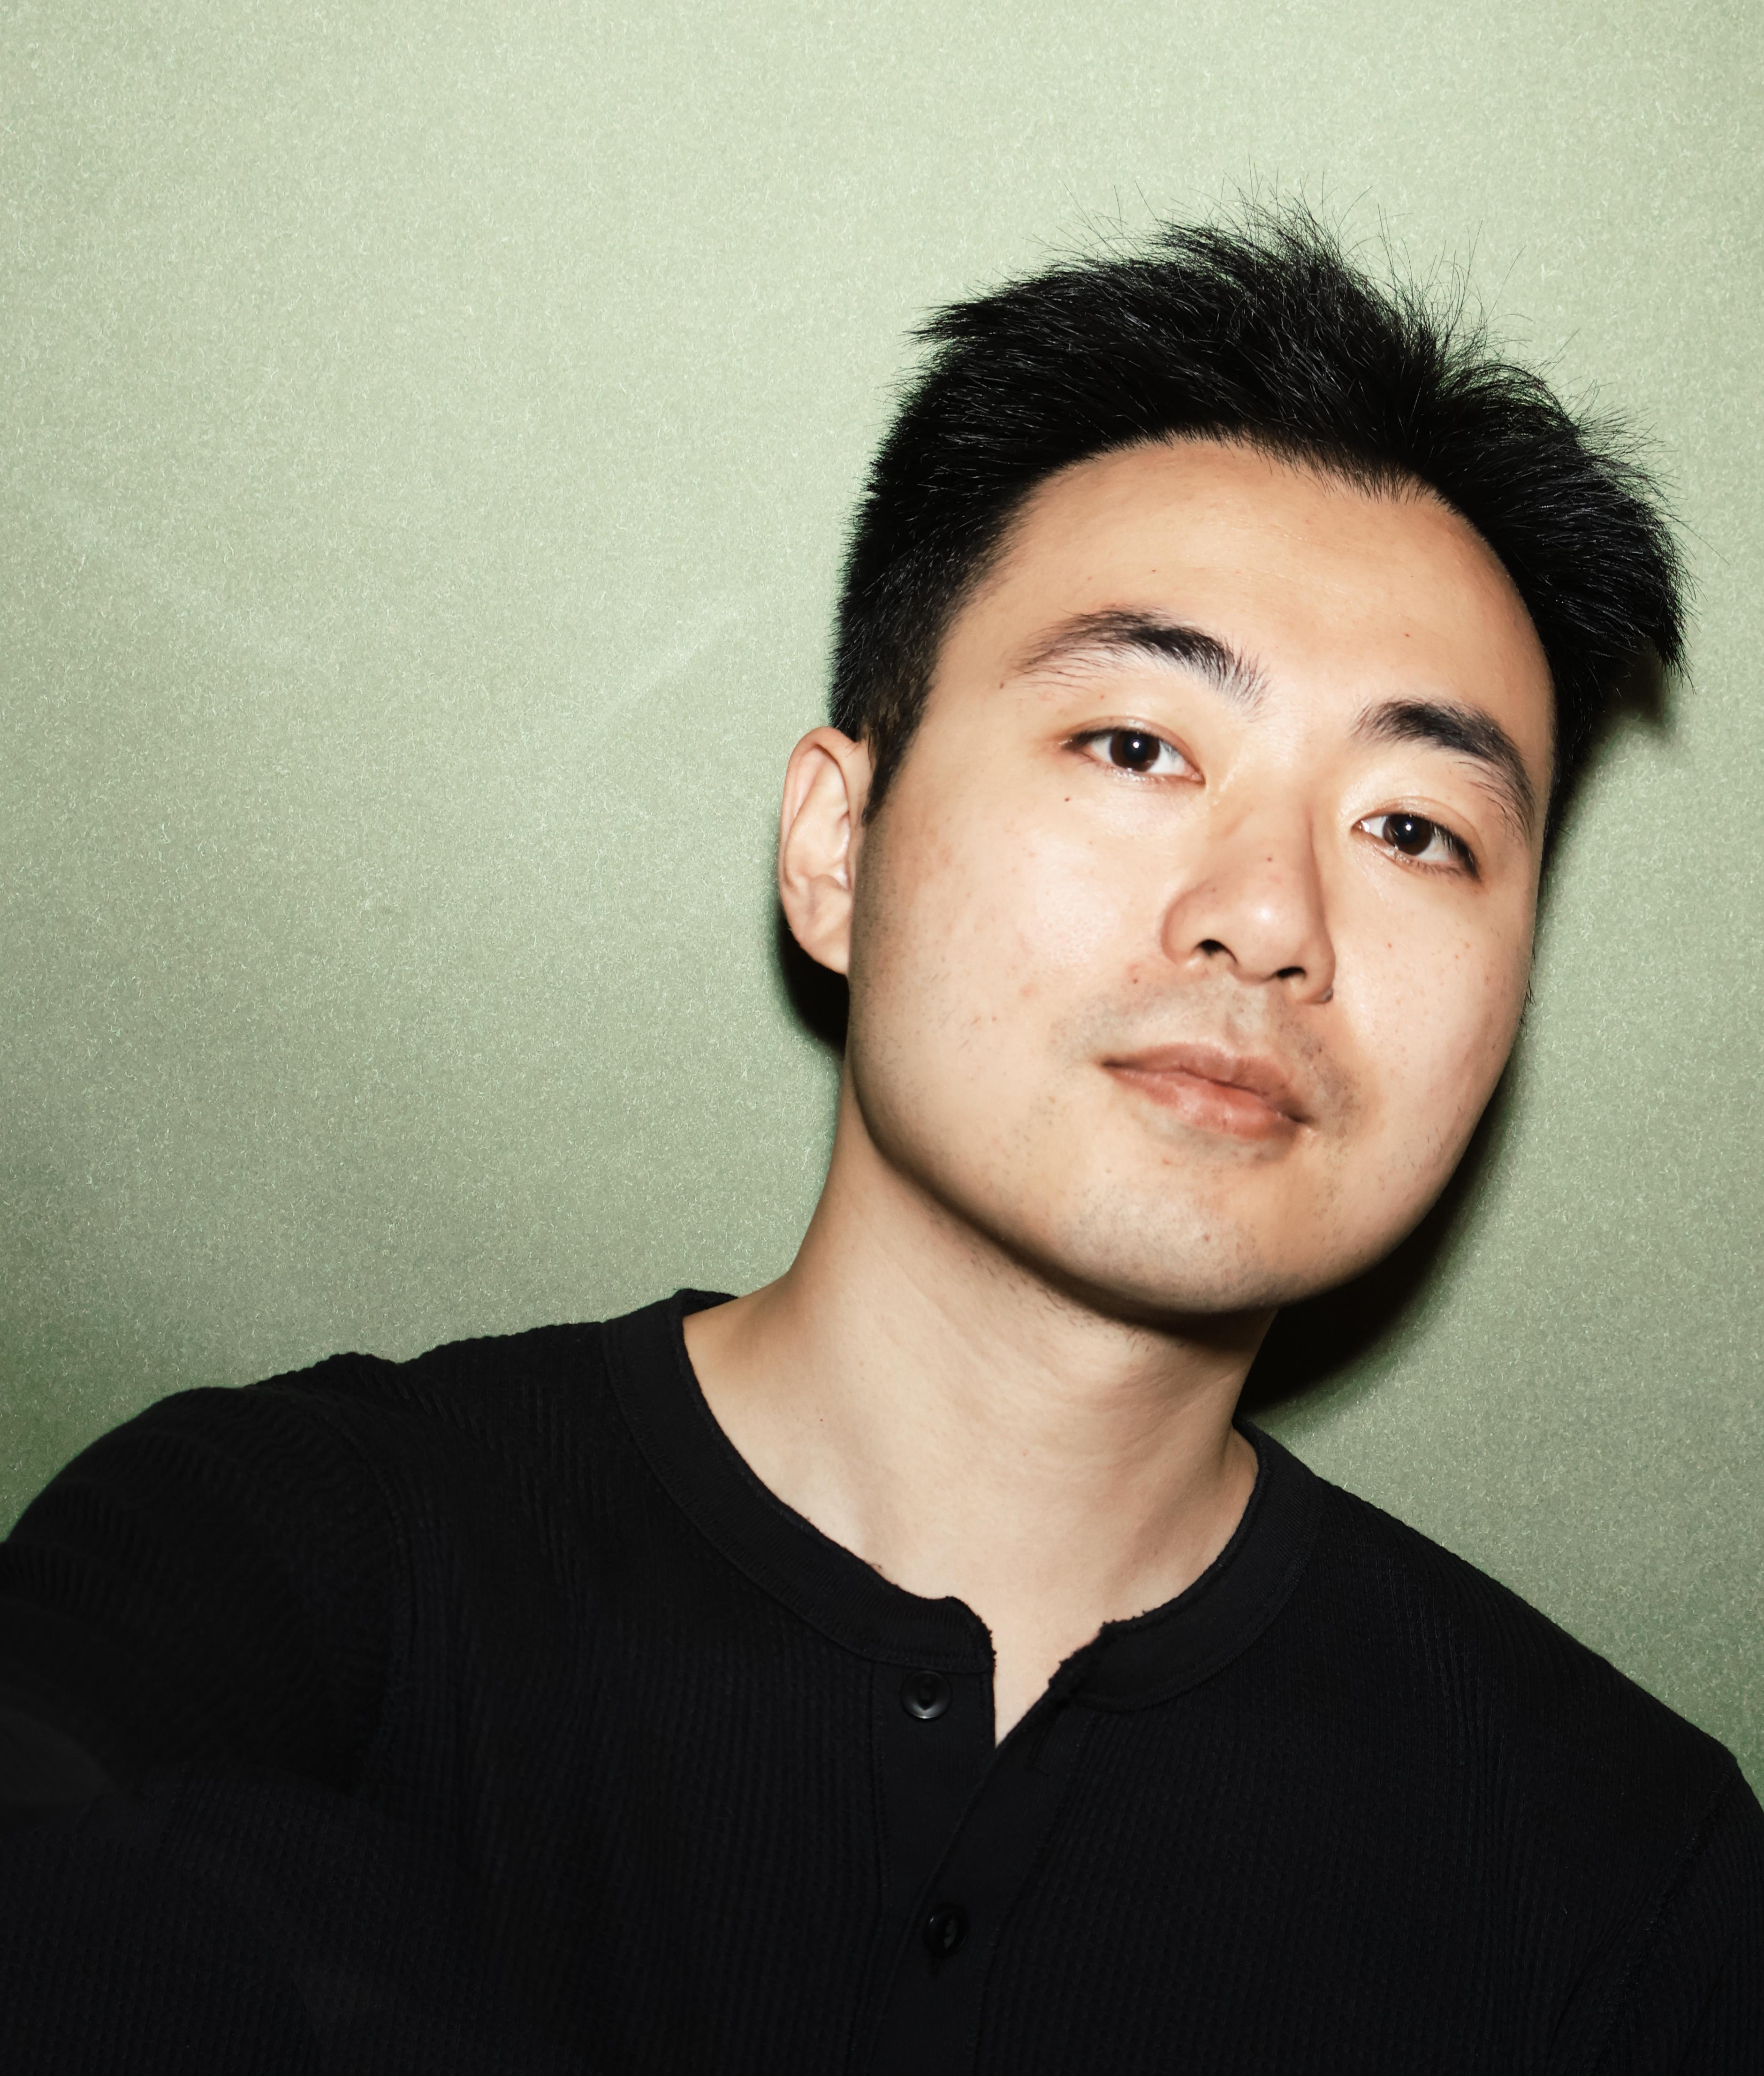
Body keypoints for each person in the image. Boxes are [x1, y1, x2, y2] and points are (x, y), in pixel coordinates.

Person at [1, 207, 1758, 2073]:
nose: (1269, 917)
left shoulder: (1630, 1889)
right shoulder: (266, 1572)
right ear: (837, 849)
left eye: (1415, 830)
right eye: (1137, 746)